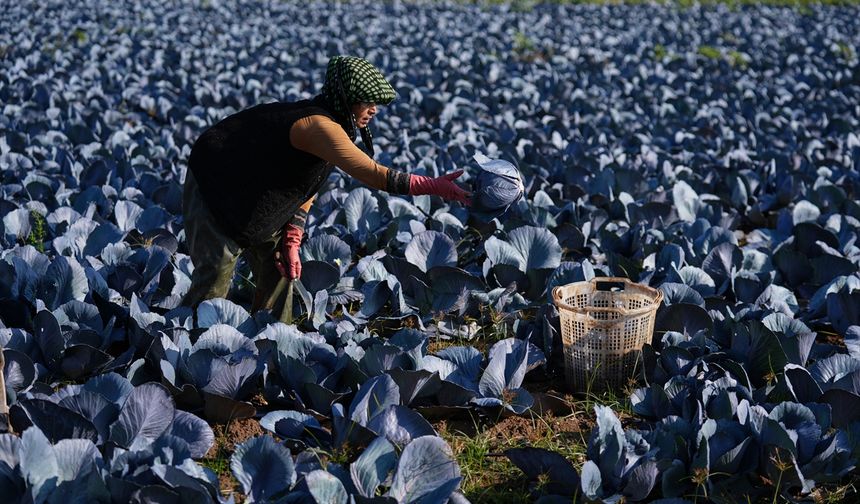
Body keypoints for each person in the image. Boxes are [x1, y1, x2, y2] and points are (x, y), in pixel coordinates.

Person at [182, 55, 470, 312]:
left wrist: (293, 238)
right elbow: (372, 174)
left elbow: (307, 186)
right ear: (345, 99)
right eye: (366, 102)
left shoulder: (337, 124)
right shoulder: (320, 127)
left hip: (260, 192)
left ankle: (272, 342)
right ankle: (191, 337)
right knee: (214, 281)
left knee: (281, 270)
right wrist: (434, 186)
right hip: (216, 183)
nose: (373, 111)